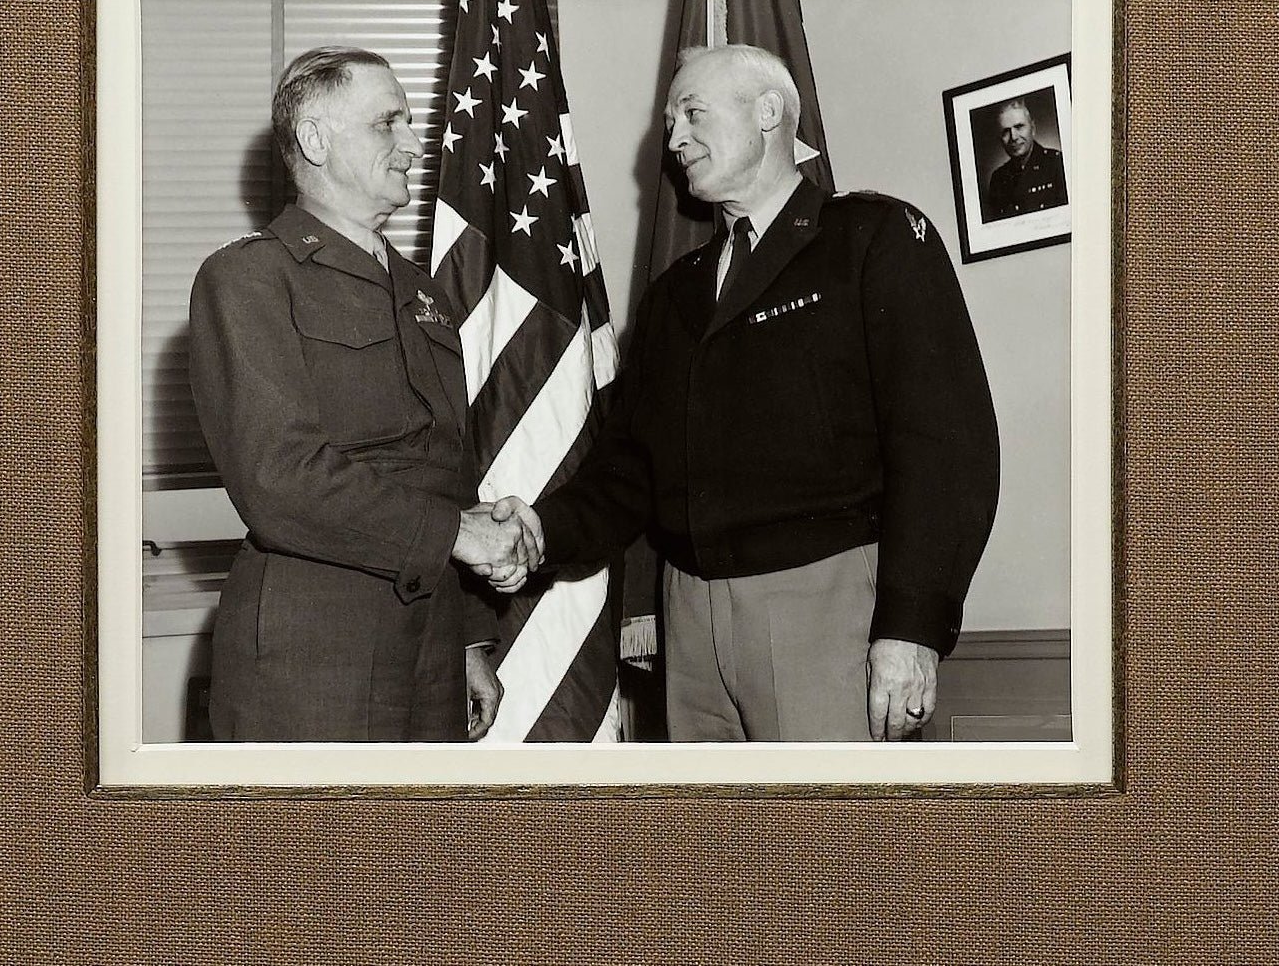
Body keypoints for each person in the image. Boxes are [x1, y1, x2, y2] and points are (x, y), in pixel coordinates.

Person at [493, 44, 1000, 742]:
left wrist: (912, 626)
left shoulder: (870, 239)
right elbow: (629, 471)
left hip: (822, 609)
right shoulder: (676, 293)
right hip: (689, 623)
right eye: (671, 121)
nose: (672, 140)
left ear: (768, 112)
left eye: (692, 113)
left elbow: (945, 444)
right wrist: (541, 530)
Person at [189, 46, 535, 743]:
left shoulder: (422, 293)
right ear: (315, 140)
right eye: (388, 124)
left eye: (410, 124)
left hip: (431, 645)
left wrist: (468, 642)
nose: (413, 144)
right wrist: (460, 535)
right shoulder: (250, 277)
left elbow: (446, 470)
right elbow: (278, 477)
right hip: (313, 645)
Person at [983, 97, 1068, 220]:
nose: (1013, 137)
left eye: (1019, 127)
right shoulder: (998, 178)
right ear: (1000, 139)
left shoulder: (1057, 164)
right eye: (1005, 132)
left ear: (1032, 128)